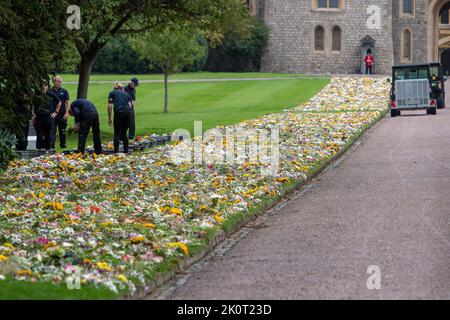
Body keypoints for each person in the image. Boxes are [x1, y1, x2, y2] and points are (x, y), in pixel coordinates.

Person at [33, 82, 61, 150]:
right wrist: (33, 114)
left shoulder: (50, 94)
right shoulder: (36, 95)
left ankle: (47, 150)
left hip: (48, 117)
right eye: (42, 86)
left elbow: (59, 102)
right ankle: (38, 149)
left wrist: (56, 112)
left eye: (45, 86)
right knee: (39, 134)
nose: (43, 87)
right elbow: (31, 104)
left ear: (47, 87)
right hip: (39, 118)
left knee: (48, 135)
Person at [108, 82, 132, 154]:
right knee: (124, 133)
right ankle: (126, 151)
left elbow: (109, 106)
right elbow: (131, 106)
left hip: (119, 112)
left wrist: (109, 118)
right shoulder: (126, 94)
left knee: (117, 133)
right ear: (122, 88)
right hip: (128, 113)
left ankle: (116, 152)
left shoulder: (112, 93)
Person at [50, 76, 70, 149]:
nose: (56, 82)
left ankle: (63, 144)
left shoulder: (64, 91)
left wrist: (67, 113)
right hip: (53, 114)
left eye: (58, 81)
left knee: (62, 130)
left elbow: (67, 102)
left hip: (62, 114)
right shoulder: (50, 91)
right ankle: (51, 145)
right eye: (55, 81)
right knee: (52, 130)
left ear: (61, 82)